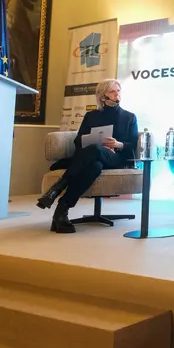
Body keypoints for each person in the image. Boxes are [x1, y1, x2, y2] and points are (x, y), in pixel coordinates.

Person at [36, 79, 138, 233]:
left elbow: (133, 144)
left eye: (118, 90)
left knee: (95, 149)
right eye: (112, 91)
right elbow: (78, 141)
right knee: (94, 166)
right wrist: (93, 142)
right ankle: (62, 210)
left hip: (116, 158)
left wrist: (117, 144)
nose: (117, 94)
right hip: (94, 157)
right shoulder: (91, 116)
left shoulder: (129, 117)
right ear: (102, 96)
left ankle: (57, 189)